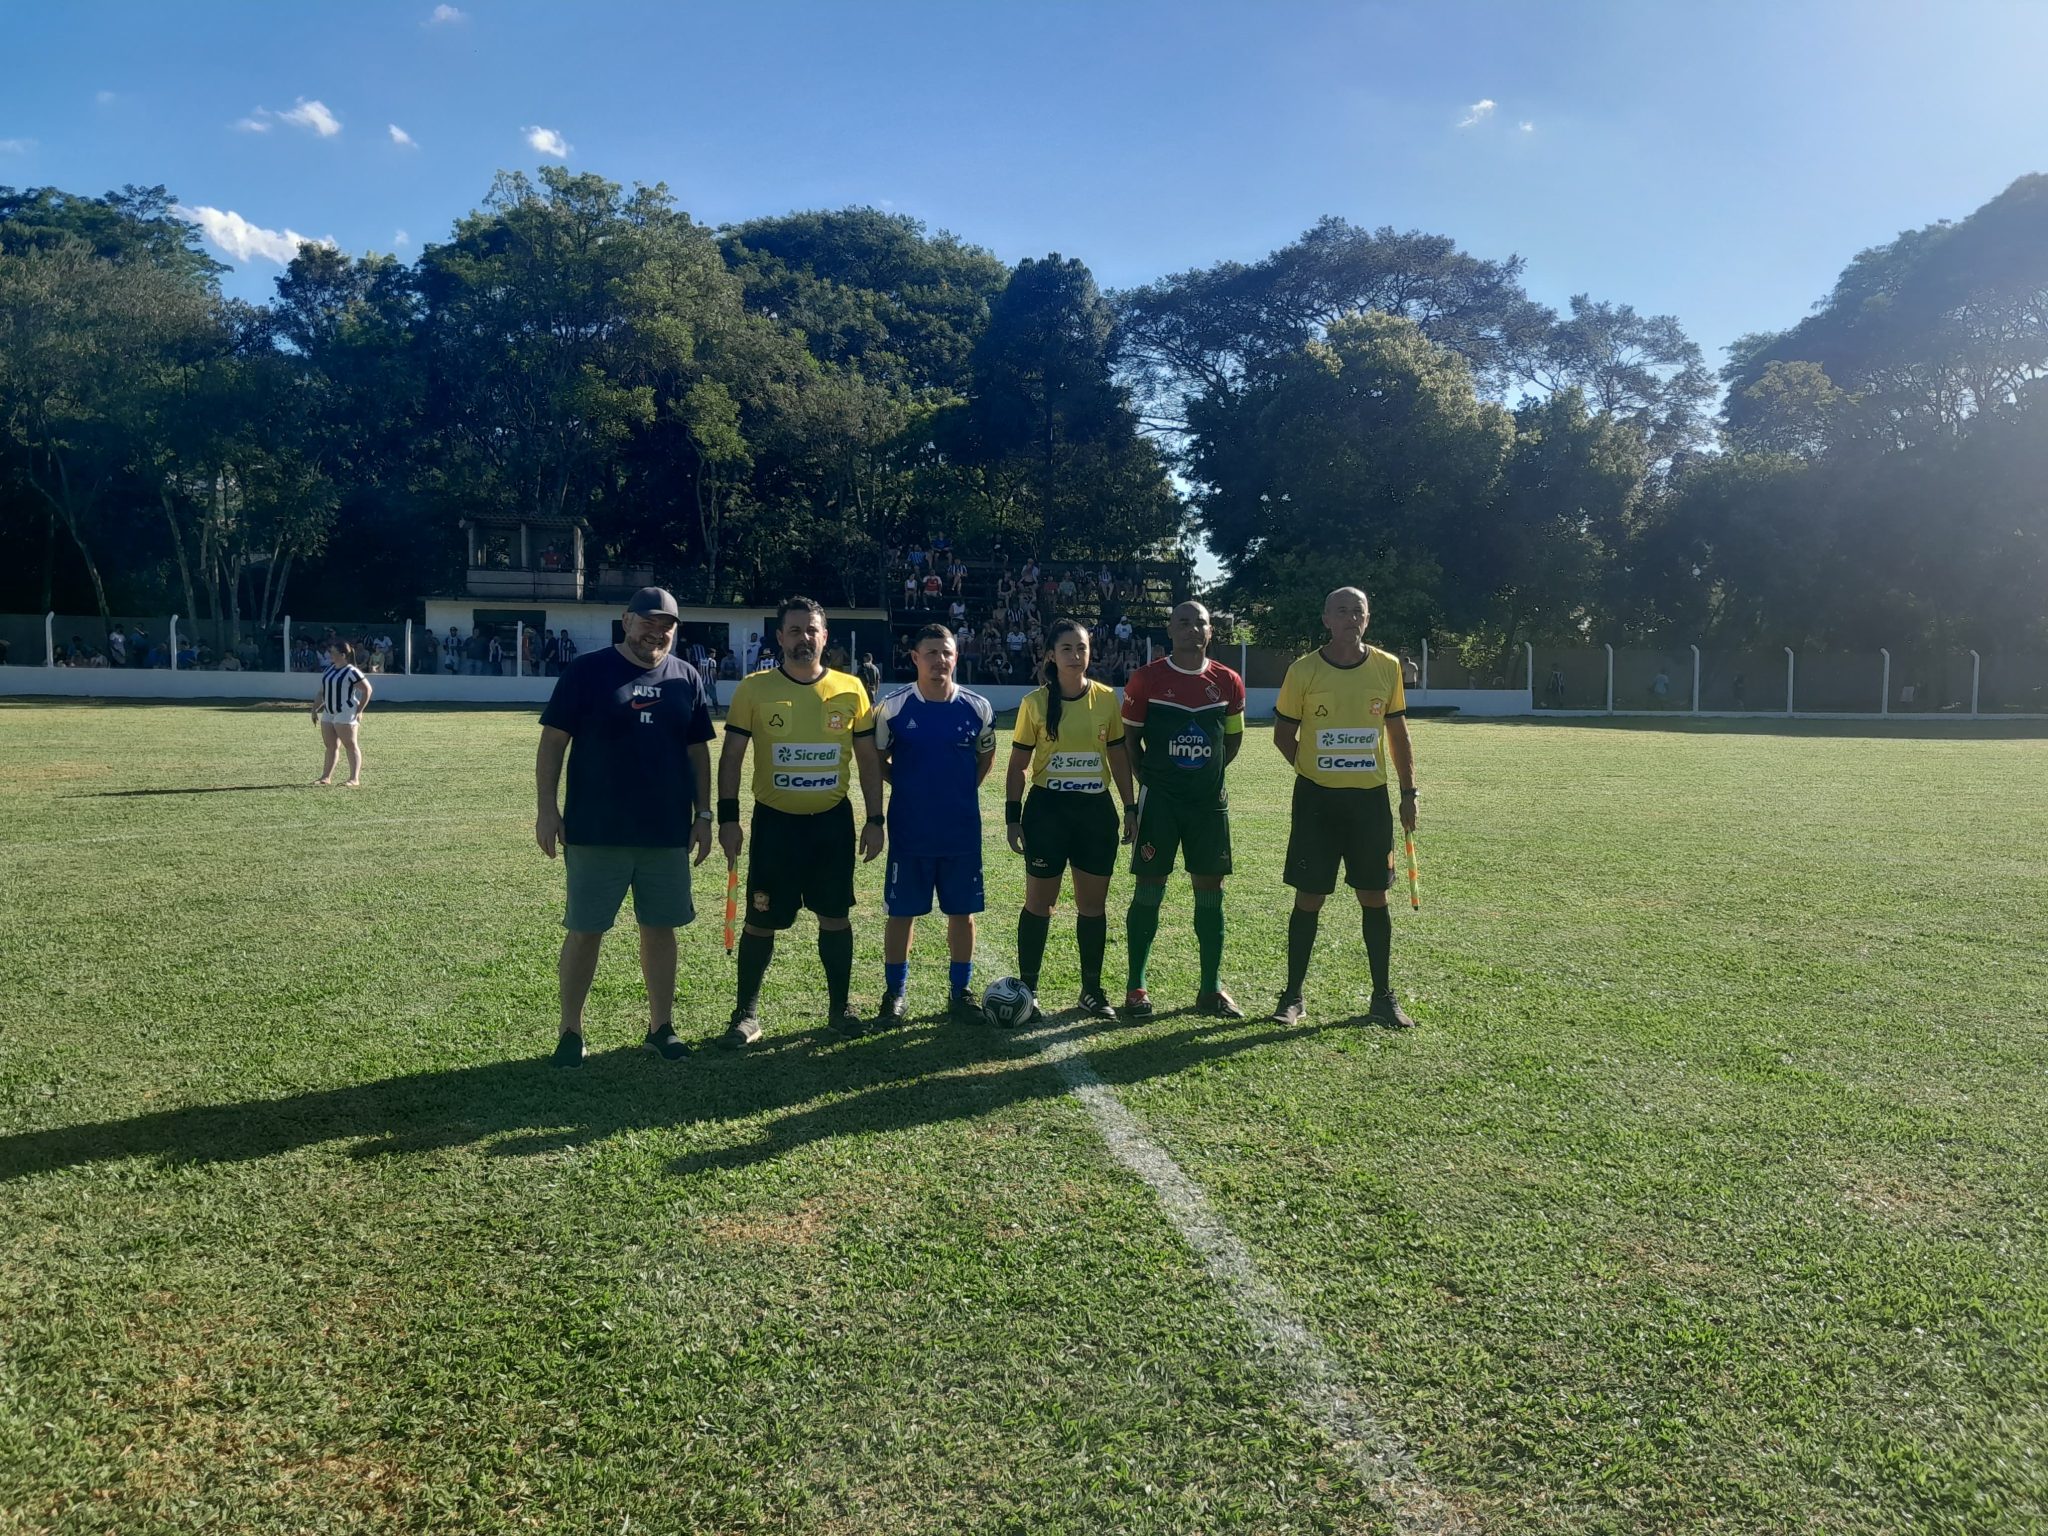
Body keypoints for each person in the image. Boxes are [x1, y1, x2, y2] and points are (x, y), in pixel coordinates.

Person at [535, 587, 716, 1067]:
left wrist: (703, 814)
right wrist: (547, 809)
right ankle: (570, 1031)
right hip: (596, 830)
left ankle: (661, 1027)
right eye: (647, 622)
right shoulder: (587, 671)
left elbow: (698, 751)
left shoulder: (686, 677)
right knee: (585, 930)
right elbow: (553, 742)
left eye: (666, 625)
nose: (656, 633)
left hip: (665, 833)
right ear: (626, 620)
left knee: (660, 930)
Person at [717, 598, 886, 1046]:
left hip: (831, 825)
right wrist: (729, 818)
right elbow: (731, 757)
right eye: (794, 630)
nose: (803, 638)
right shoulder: (754, 689)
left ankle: (840, 1010)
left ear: (824, 637)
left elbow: (868, 761)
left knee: (835, 916)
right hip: (775, 826)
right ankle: (746, 1015)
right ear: (780, 637)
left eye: (811, 630)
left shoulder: (851, 689)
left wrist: (875, 819)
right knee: (760, 920)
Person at [1270, 587, 1419, 1029]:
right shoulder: (1303, 670)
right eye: (1342, 611)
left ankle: (1382, 997)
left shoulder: (1387, 667)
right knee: (1309, 896)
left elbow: (1398, 734)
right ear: (1326, 619)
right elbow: (1283, 735)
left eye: (1359, 611)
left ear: (1367, 620)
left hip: (1369, 802)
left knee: (1374, 895)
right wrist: (1314, 770)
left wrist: (1409, 792)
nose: (1351, 618)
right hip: (1316, 801)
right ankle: (1292, 996)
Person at [1119, 600, 1246, 1020]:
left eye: (1200, 623)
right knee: (1149, 886)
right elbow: (1130, 742)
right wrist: (1153, 781)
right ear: (1170, 630)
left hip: (1208, 804)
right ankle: (1136, 987)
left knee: (1210, 889)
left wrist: (1206, 775)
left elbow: (1232, 740)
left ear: (1211, 631)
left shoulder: (1228, 681)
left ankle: (1210, 989)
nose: (1193, 629)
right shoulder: (1147, 679)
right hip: (1161, 802)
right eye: (1184, 622)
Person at [1007, 619, 1138, 1023]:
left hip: (1094, 814)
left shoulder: (1106, 699)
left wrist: (1130, 807)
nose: (1075, 655)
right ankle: (1028, 990)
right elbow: (1018, 763)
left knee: (1092, 905)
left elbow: (1118, 756)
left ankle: (1091, 990)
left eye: (1081, 647)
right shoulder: (1034, 703)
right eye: (1066, 648)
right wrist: (1012, 816)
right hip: (1047, 814)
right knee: (1039, 903)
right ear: (1051, 654)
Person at [872, 625, 997, 1028]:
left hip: (961, 830)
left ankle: (960, 993)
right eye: (931, 653)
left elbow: (986, 757)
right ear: (915, 658)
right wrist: (906, 785)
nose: (939, 660)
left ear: (956, 657)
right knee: (901, 914)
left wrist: (960, 790)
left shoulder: (978, 707)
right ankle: (895, 994)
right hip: (910, 831)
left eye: (946, 653)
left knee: (962, 913)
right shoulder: (893, 708)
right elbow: (877, 759)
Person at [311, 639, 373, 788]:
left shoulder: (351, 671)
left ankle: (354, 778)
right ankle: (326, 777)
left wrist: (359, 710)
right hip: (329, 711)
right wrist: (314, 709)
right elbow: (321, 692)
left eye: (333, 652)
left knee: (350, 745)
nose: (330, 655)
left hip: (346, 711)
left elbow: (367, 690)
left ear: (343, 655)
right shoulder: (329, 669)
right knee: (330, 746)